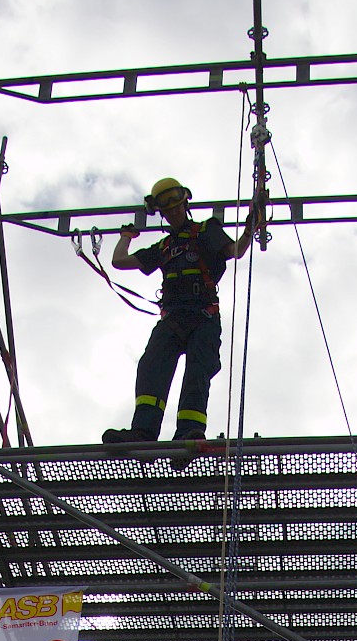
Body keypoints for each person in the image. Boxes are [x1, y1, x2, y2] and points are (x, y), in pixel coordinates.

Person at [102, 176, 261, 447]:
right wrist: (125, 237)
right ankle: (142, 431)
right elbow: (118, 261)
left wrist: (249, 230)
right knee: (152, 367)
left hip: (203, 316)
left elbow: (235, 250)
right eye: (167, 207)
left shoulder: (206, 231)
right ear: (160, 212)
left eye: (177, 204)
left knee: (198, 372)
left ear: (185, 203)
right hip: (173, 318)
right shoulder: (164, 247)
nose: (173, 211)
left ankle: (189, 433)